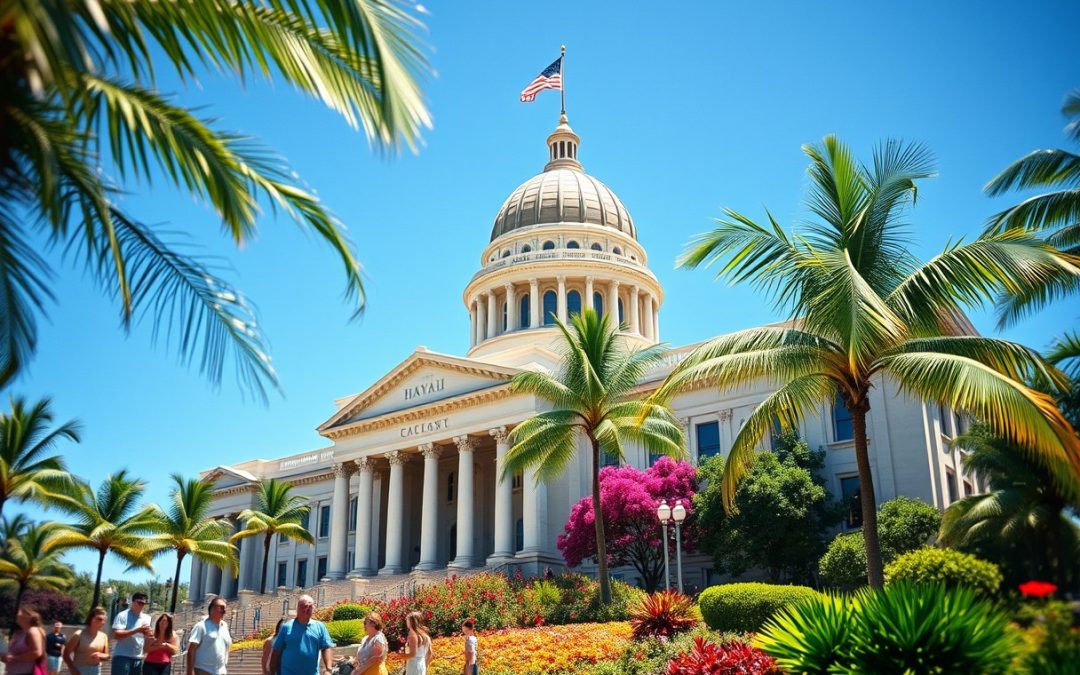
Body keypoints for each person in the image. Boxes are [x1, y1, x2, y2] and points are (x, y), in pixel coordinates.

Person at [269, 596, 333, 675]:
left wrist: (328, 669)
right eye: (304, 606)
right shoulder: (287, 627)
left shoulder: (320, 626)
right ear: (298, 609)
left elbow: (326, 647)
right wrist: (272, 671)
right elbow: (276, 652)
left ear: (313, 609)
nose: (306, 609)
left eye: (310, 607)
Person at [186, 598, 232, 675]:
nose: (224, 611)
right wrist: (190, 672)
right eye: (221, 607)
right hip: (203, 670)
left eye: (225, 608)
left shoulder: (225, 626)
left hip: (221, 671)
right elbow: (191, 650)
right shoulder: (201, 626)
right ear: (212, 608)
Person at [112, 593, 152, 675]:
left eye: (144, 603)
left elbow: (148, 637)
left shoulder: (147, 618)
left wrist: (149, 633)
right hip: (122, 656)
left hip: (138, 658)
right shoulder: (123, 615)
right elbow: (117, 635)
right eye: (140, 603)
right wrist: (137, 630)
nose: (142, 605)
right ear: (133, 602)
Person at [63, 609, 110, 675]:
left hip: (96, 670)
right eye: (100, 619)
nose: (103, 622)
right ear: (92, 619)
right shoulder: (78, 634)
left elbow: (107, 655)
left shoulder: (104, 636)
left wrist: (101, 655)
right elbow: (66, 654)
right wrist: (72, 669)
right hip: (80, 670)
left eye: (104, 620)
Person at [2, 607, 45, 675]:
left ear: (28, 615)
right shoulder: (20, 633)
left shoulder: (33, 631)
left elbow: (36, 653)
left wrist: (13, 658)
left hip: (26, 672)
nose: (16, 614)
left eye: (19, 612)